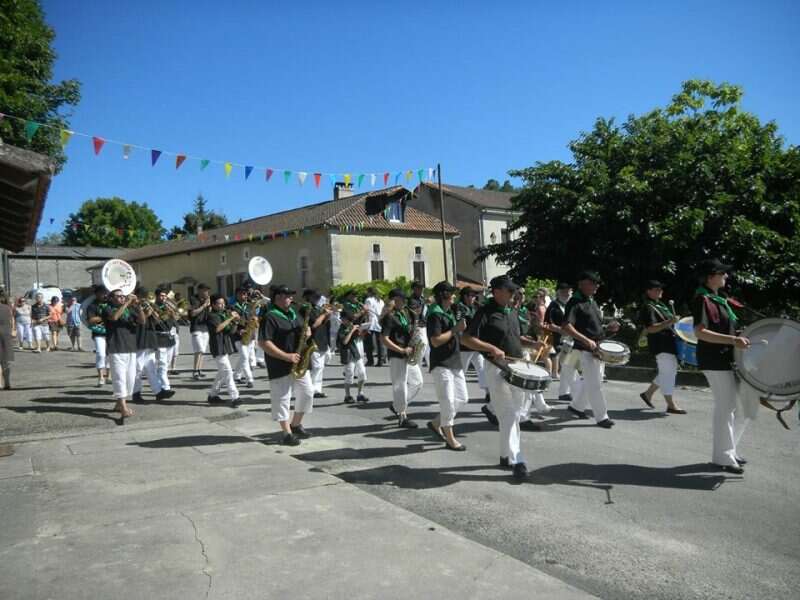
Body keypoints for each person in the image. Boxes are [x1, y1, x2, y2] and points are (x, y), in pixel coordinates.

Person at [462, 275, 532, 480]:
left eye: (514, 291)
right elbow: (467, 338)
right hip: (496, 368)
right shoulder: (485, 312)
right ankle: (517, 461)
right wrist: (491, 348)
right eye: (509, 291)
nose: (513, 294)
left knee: (513, 415)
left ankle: (504, 455)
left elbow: (514, 338)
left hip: (517, 367)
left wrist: (531, 344)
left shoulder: (511, 310)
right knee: (509, 415)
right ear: (497, 291)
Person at [691, 258, 751, 475]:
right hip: (713, 359)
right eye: (722, 273)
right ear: (711, 277)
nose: (726, 276)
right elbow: (700, 332)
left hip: (726, 358)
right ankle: (723, 456)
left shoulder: (720, 299)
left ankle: (728, 451)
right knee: (726, 406)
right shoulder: (702, 299)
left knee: (737, 406)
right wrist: (733, 341)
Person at [259, 284, 316, 446]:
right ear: (278, 298)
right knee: (282, 399)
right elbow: (263, 342)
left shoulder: (294, 313)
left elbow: (302, 332)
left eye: (291, 296)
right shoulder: (270, 317)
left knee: (308, 393)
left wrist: (308, 333)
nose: (291, 298)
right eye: (288, 296)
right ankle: (286, 433)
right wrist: (286, 356)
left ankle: (296, 424)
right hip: (280, 364)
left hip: (299, 362)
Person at [561, 271, 619, 429]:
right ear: (581, 284)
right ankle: (602, 417)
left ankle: (576, 406)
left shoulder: (591, 301)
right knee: (595, 384)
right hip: (584, 349)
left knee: (594, 380)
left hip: (597, 348)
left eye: (597, 283)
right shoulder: (575, 302)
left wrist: (609, 328)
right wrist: (586, 340)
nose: (596, 286)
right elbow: (566, 326)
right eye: (592, 283)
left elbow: (592, 326)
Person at [426, 281, 468, 451]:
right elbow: (435, 341)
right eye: (451, 293)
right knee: (448, 401)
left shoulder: (451, 311)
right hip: (441, 362)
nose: (454, 296)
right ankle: (450, 438)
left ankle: (437, 423)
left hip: (454, 360)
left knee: (462, 398)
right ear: (444, 295)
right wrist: (455, 330)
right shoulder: (435, 315)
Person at [638, 280, 686, 414]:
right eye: (656, 289)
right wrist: (670, 321)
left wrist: (688, 329)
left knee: (669, 371)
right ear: (648, 291)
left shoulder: (661, 305)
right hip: (660, 344)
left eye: (660, 289)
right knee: (668, 372)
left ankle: (648, 394)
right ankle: (670, 404)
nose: (660, 291)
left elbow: (672, 325)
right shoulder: (648, 307)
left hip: (669, 343)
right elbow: (651, 328)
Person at [381, 288, 423, 429]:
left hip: (409, 352)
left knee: (418, 383)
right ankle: (402, 415)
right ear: (394, 300)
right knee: (400, 385)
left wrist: (415, 336)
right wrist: (401, 349)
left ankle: (396, 406)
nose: (404, 302)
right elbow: (384, 339)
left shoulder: (406, 312)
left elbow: (412, 328)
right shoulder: (389, 316)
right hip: (397, 353)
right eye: (401, 299)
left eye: (404, 299)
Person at [103, 289, 145, 418]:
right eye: (119, 296)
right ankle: (123, 407)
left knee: (130, 379)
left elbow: (142, 321)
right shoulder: (107, 308)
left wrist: (138, 307)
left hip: (130, 347)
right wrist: (126, 303)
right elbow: (114, 318)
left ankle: (118, 403)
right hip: (116, 347)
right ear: (111, 298)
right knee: (119, 378)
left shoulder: (130, 309)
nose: (122, 298)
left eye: (123, 296)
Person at [131, 288, 175, 403]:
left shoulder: (148, 307)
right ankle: (136, 393)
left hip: (149, 339)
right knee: (138, 369)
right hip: (139, 340)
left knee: (151, 369)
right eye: (142, 297)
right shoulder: (132, 308)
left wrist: (155, 315)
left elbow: (156, 323)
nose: (144, 300)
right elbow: (140, 321)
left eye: (146, 297)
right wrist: (146, 313)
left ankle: (158, 392)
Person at [206, 294, 242, 407]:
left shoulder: (223, 315)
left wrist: (236, 322)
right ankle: (235, 397)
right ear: (213, 305)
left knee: (222, 373)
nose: (222, 306)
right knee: (227, 372)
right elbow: (218, 328)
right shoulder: (211, 316)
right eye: (219, 303)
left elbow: (230, 332)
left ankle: (212, 395)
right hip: (217, 347)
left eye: (223, 303)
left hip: (225, 346)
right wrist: (231, 318)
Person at [456, 287, 488, 401]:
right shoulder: (460, 307)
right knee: (461, 371)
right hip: (465, 345)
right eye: (471, 296)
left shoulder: (477, 307)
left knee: (482, 368)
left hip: (476, 343)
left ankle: (488, 393)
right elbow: (460, 324)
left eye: (475, 296)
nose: (474, 298)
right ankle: (457, 394)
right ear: (465, 296)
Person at [545, 282, 573, 399]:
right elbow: (547, 323)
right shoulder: (553, 305)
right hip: (559, 339)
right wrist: (560, 330)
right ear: (558, 292)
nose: (566, 293)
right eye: (563, 291)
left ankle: (564, 392)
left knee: (569, 365)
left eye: (568, 291)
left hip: (572, 338)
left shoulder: (571, 304)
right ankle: (567, 392)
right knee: (569, 364)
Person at [305, 289, 334, 398]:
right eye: (316, 298)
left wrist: (328, 316)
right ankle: (310, 389)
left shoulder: (318, 309)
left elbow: (323, 323)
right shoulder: (308, 309)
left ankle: (317, 389)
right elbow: (314, 325)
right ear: (309, 298)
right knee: (316, 367)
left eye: (318, 298)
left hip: (322, 340)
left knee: (320, 367)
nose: (318, 300)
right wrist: (323, 314)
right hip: (314, 340)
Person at [337, 309, 368, 403]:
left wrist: (362, 332)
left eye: (350, 320)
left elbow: (359, 337)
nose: (349, 322)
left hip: (355, 352)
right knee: (349, 375)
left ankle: (360, 394)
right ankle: (347, 395)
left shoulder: (351, 325)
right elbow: (345, 341)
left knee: (362, 373)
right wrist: (352, 330)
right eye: (346, 319)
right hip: (347, 354)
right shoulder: (341, 329)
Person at [153, 288, 177, 396]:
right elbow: (159, 319)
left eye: (165, 296)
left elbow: (177, 318)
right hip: (159, 337)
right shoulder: (154, 306)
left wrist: (173, 313)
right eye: (162, 296)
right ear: (157, 296)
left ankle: (159, 385)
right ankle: (166, 387)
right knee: (162, 364)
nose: (164, 298)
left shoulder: (168, 306)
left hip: (169, 337)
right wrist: (168, 312)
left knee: (165, 364)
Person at [86, 286, 110, 386]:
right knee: (101, 354)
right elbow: (90, 320)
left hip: (110, 332)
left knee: (110, 354)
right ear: (96, 294)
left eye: (105, 293)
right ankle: (100, 377)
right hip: (98, 333)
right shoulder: (92, 306)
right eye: (102, 293)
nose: (105, 295)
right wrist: (104, 317)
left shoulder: (110, 303)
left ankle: (109, 376)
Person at [232, 287, 256, 388]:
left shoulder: (250, 306)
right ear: (237, 295)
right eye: (242, 294)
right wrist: (238, 330)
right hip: (238, 336)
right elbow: (232, 322)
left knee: (243, 357)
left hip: (249, 335)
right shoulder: (232, 307)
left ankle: (236, 376)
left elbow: (253, 320)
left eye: (245, 294)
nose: (244, 296)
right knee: (245, 357)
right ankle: (249, 379)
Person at [189, 284, 212, 379]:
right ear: (199, 290)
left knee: (202, 351)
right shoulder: (193, 299)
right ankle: (194, 371)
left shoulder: (207, 300)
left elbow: (210, 314)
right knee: (198, 350)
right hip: (196, 327)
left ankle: (199, 370)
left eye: (207, 290)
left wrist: (209, 306)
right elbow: (193, 313)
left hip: (205, 327)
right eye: (205, 290)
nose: (207, 292)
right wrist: (204, 305)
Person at [363, 287, 386, 366]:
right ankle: (381, 360)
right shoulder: (381, 301)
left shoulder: (368, 300)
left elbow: (366, 311)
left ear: (369, 292)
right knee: (379, 342)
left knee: (368, 342)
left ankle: (370, 360)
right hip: (380, 322)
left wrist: (366, 322)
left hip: (371, 322)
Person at [409, 281, 430, 366]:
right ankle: (415, 364)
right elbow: (416, 312)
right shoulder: (412, 300)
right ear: (414, 289)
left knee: (428, 348)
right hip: (418, 326)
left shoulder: (421, 299)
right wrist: (425, 303)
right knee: (422, 344)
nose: (421, 290)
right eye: (419, 288)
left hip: (425, 325)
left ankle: (430, 366)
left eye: (422, 288)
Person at [0, 291, 14, 389]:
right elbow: (11, 320)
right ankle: (7, 382)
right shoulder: (7, 308)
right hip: (6, 335)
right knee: (5, 361)